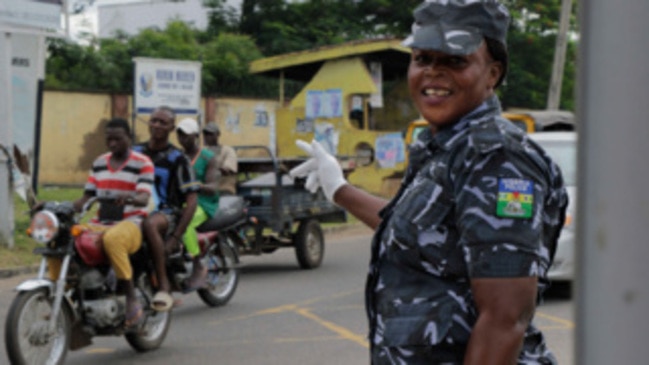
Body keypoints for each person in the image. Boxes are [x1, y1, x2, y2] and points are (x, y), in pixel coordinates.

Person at [290, 1, 569, 364]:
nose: (433, 74)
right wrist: (339, 189)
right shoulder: (445, 146)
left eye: (455, 61)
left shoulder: (497, 159)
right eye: (422, 59)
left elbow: (504, 319)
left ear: (492, 74)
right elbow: (421, 235)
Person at [46, 117, 154, 329]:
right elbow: (86, 198)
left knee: (112, 239)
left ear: (129, 138)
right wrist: (54, 205)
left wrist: (130, 198)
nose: (112, 144)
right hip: (99, 222)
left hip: (132, 221)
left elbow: (143, 197)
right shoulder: (99, 162)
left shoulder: (142, 162)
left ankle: (131, 297)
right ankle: (61, 298)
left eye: (118, 139)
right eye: (109, 139)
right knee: (57, 238)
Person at [134, 106, 200, 312]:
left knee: (150, 224)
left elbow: (191, 201)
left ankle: (164, 285)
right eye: (154, 120)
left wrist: (175, 237)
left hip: (165, 212)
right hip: (132, 209)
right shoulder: (134, 152)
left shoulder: (178, 159)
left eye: (163, 122)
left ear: (172, 128)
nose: (156, 125)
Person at [175, 117, 219, 291]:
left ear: (195, 136)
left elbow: (213, 186)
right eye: (179, 135)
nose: (182, 139)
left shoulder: (208, 158)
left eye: (185, 135)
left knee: (185, 225)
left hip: (204, 202)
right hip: (182, 202)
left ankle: (197, 263)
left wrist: (198, 186)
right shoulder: (177, 156)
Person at [202, 121, 238, 195]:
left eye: (211, 134)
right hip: (206, 189)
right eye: (205, 134)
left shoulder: (228, 150)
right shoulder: (202, 151)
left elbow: (227, 170)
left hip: (224, 189)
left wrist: (212, 166)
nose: (207, 137)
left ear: (218, 134)